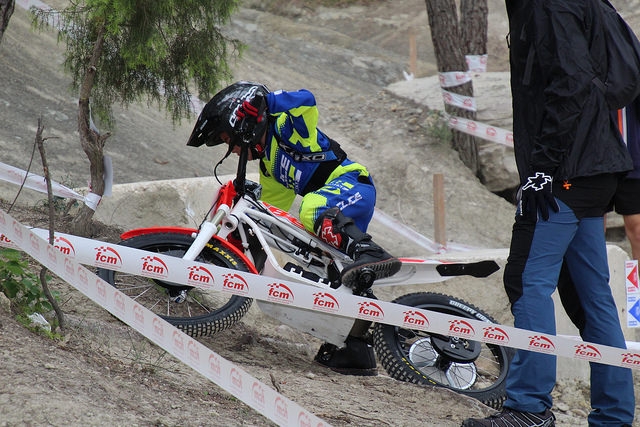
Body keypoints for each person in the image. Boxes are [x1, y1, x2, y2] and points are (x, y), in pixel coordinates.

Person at [463, 1, 636, 426]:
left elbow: (572, 83)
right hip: (592, 167)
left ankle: (529, 407)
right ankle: (614, 416)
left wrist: (542, 167)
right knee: (593, 296)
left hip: (566, 173)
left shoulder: (547, 4)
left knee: (526, 280)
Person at [186, 81, 401, 376]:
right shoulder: (270, 168)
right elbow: (270, 216)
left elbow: (307, 100)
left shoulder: (288, 126)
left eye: (229, 139)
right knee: (322, 265)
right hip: (334, 206)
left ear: (243, 125)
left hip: (352, 185)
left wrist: (266, 103)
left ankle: (371, 252)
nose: (231, 149)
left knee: (311, 207)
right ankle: (356, 347)